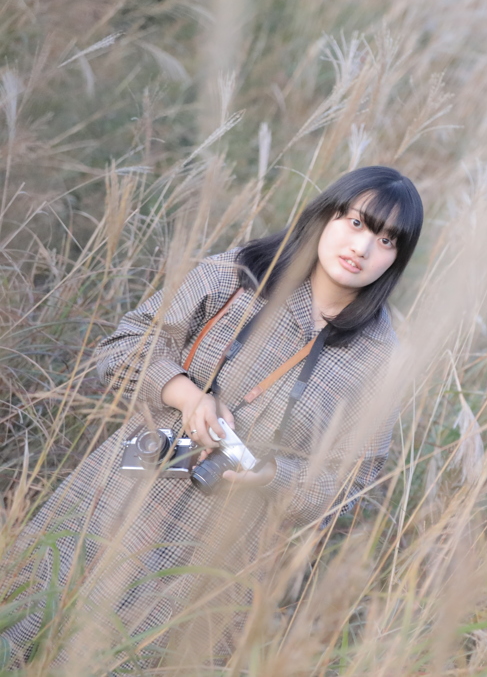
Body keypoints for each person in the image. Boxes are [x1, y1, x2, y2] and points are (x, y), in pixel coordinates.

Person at [0, 165, 423, 669]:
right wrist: (186, 396)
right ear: (326, 216)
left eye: (386, 240)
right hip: (126, 481)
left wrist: (271, 475)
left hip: (224, 546)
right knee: (31, 627)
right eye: (355, 223)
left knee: (137, 657)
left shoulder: (378, 358)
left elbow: (356, 490)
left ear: (397, 259)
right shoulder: (238, 277)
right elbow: (123, 346)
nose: (363, 247)